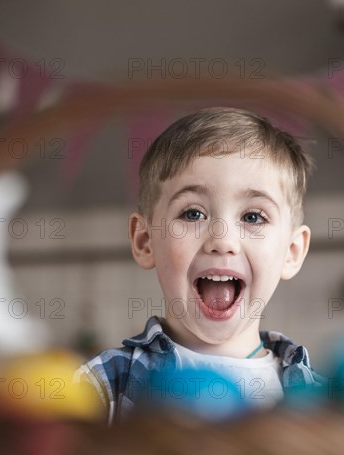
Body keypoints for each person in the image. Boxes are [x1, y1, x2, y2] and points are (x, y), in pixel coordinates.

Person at [75, 107, 324, 424]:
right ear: (145, 241)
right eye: (193, 214)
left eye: (252, 217)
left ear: (291, 251)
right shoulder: (102, 386)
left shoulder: (321, 404)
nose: (222, 240)